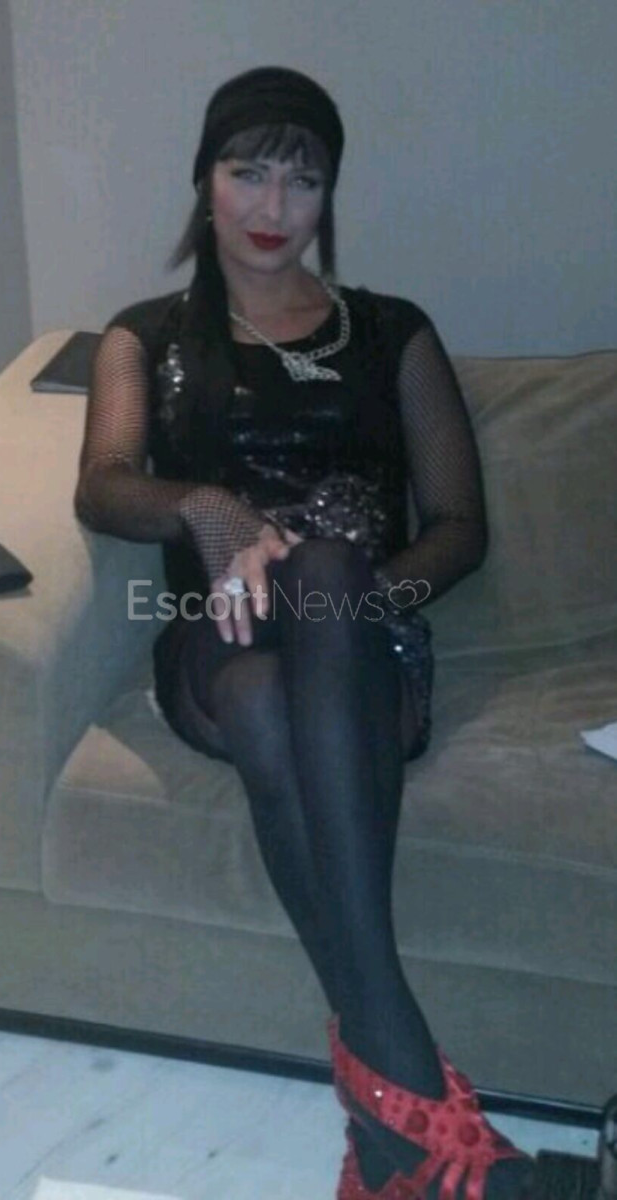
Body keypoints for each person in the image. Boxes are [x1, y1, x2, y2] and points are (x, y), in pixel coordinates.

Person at [74, 66, 535, 1200]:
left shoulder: (391, 332)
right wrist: (210, 509)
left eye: (304, 180)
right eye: (248, 172)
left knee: (318, 591)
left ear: (331, 195)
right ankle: (408, 1082)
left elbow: (460, 525)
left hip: (362, 650)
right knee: (258, 673)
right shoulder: (142, 337)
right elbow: (105, 484)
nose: (274, 206)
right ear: (205, 180)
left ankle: (391, 1136)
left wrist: (364, 604)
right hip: (219, 643)